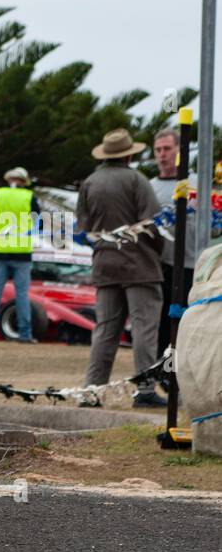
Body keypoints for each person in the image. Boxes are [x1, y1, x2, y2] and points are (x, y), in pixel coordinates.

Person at [78, 129, 166, 408]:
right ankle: (145, 388)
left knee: (104, 330)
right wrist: (158, 252)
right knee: (144, 330)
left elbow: (83, 228)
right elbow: (152, 223)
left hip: (105, 265)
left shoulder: (90, 182)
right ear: (129, 154)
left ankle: (92, 390)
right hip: (139, 265)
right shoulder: (136, 180)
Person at [149, 128, 207, 358]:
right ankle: (163, 372)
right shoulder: (149, 188)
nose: (162, 154)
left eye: (167, 149)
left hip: (193, 265)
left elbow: (213, 226)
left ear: (178, 150)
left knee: (191, 322)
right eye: (158, 150)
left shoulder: (197, 184)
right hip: (162, 266)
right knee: (163, 321)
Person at [0, 167, 43, 343]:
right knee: (21, 294)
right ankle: (24, 334)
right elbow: (39, 224)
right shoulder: (29, 197)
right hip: (22, 252)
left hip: (0, 250)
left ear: (9, 180)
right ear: (23, 181)